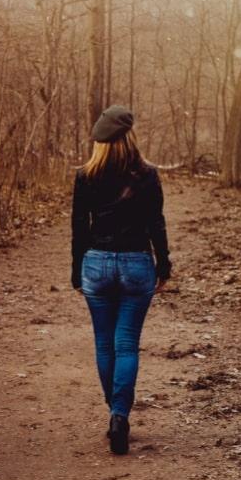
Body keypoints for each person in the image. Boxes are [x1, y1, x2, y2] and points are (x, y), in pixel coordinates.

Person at [71, 105, 172, 455]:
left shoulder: (86, 175)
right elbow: (156, 224)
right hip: (136, 264)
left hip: (96, 264)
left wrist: (76, 270)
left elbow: (78, 227)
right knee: (126, 343)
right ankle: (119, 414)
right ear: (130, 137)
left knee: (104, 343)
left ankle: (114, 413)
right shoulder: (147, 174)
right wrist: (164, 266)